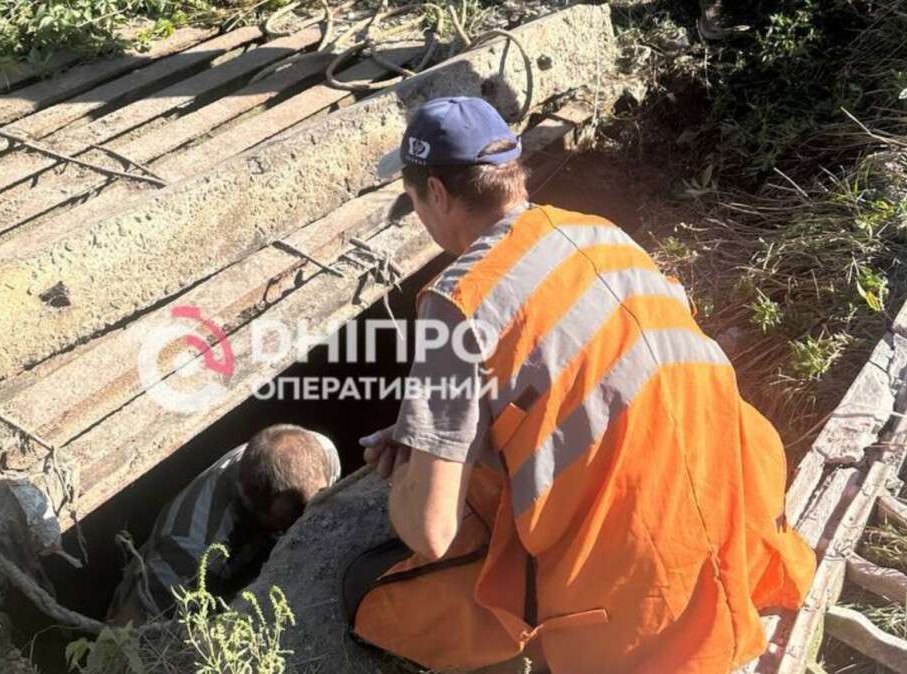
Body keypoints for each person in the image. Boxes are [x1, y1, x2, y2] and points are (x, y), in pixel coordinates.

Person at [343, 97, 816, 673]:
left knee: (367, 594)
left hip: (640, 613)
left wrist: (413, 466)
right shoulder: (600, 233)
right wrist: (435, 428)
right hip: (732, 532)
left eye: (414, 199)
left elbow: (432, 530)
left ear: (437, 194)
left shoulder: (458, 303)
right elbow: (593, 378)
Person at [108, 424, 340, 625]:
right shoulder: (188, 552)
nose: (304, 524)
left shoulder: (321, 453)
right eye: (289, 522)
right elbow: (127, 629)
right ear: (249, 502)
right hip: (175, 595)